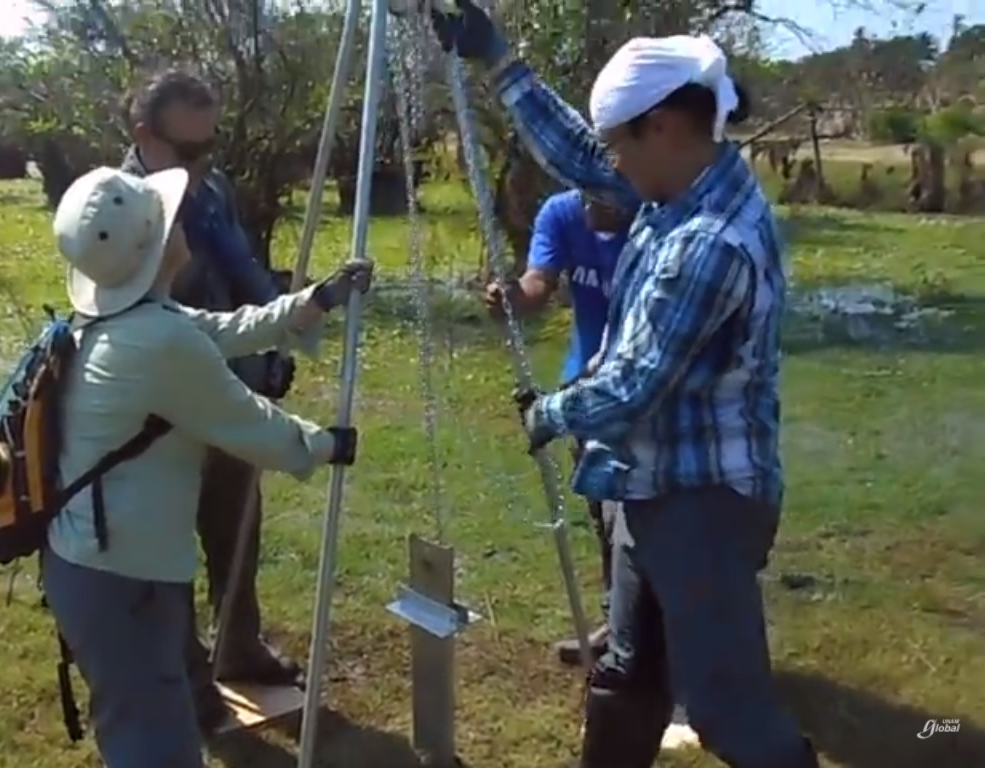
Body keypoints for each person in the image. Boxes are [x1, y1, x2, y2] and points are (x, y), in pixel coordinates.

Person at [431, 4, 818, 768]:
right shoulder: (680, 186)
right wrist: (500, 62)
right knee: (628, 671)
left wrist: (551, 412)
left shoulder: (711, 244)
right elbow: (577, 151)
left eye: (620, 142)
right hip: (651, 485)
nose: (609, 164)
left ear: (664, 127)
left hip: (702, 500)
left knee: (724, 709)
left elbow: (636, 385)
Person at [43, 165, 371, 768]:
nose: (180, 223)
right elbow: (249, 423)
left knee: (144, 717)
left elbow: (221, 329)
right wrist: (328, 444)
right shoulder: (156, 343)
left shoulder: (132, 318)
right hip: (120, 576)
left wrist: (314, 301)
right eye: (167, 220)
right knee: (154, 739)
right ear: (157, 245)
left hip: (101, 562)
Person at [119, 68, 302, 731]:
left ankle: (239, 646)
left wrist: (269, 355)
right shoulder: (119, 206)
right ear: (143, 135)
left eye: (210, 147)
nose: (202, 164)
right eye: (188, 150)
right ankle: (187, 680)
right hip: (163, 408)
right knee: (166, 548)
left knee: (238, 525)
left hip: (230, 388)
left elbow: (236, 277)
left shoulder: (214, 188)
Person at [484, 190, 634, 667]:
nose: (591, 203)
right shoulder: (563, 212)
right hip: (584, 386)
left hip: (641, 386)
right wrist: (512, 297)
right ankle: (618, 623)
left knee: (636, 518)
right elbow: (537, 284)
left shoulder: (656, 211)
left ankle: (646, 634)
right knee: (603, 516)